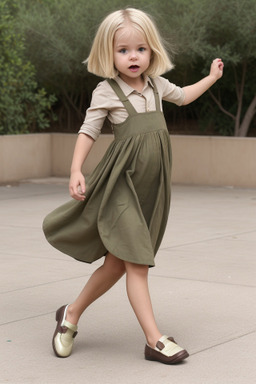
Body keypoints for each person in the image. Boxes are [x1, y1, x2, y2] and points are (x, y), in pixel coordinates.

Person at [43, 8, 224, 364]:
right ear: (108, 54)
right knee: (137, 264)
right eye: (123, 50)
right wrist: (76, 169)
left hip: (150, 189)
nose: (133, 57)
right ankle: (154, 339)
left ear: (151, 50)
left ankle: (71, 314)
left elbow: (185, 96)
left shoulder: (157, 85)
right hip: (120, 186)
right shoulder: (107, 91)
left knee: (116, 265)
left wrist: (212, 77)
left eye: (140, 49)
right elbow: (88, 130)